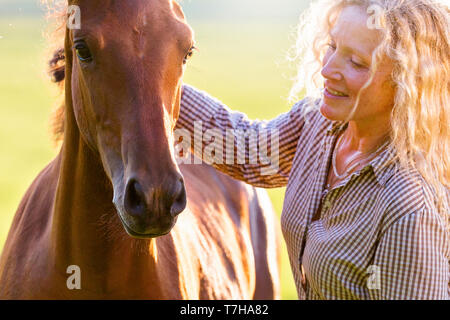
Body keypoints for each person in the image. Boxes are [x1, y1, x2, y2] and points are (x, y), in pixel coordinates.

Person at [175, 0, 449, 299]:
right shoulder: (317, 124)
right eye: (332, 46)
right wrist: (148, 85)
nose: (328, 69)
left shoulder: (408, 205)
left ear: (406, 82)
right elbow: (248, 150)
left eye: (356, 62)